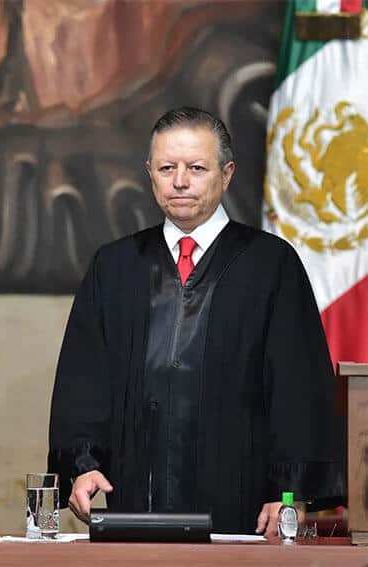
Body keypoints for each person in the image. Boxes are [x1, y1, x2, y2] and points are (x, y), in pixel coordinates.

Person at [47, 107, 344, 535]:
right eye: (167, 168)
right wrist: (83, 465)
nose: (180, 181)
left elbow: (297, 389)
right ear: (150, 172)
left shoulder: (270, 264)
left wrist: (288, 494)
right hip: (134, 501)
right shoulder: (114, 266)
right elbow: (84, 380)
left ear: (226, 173)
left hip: (243, 507)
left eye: (197, 168)